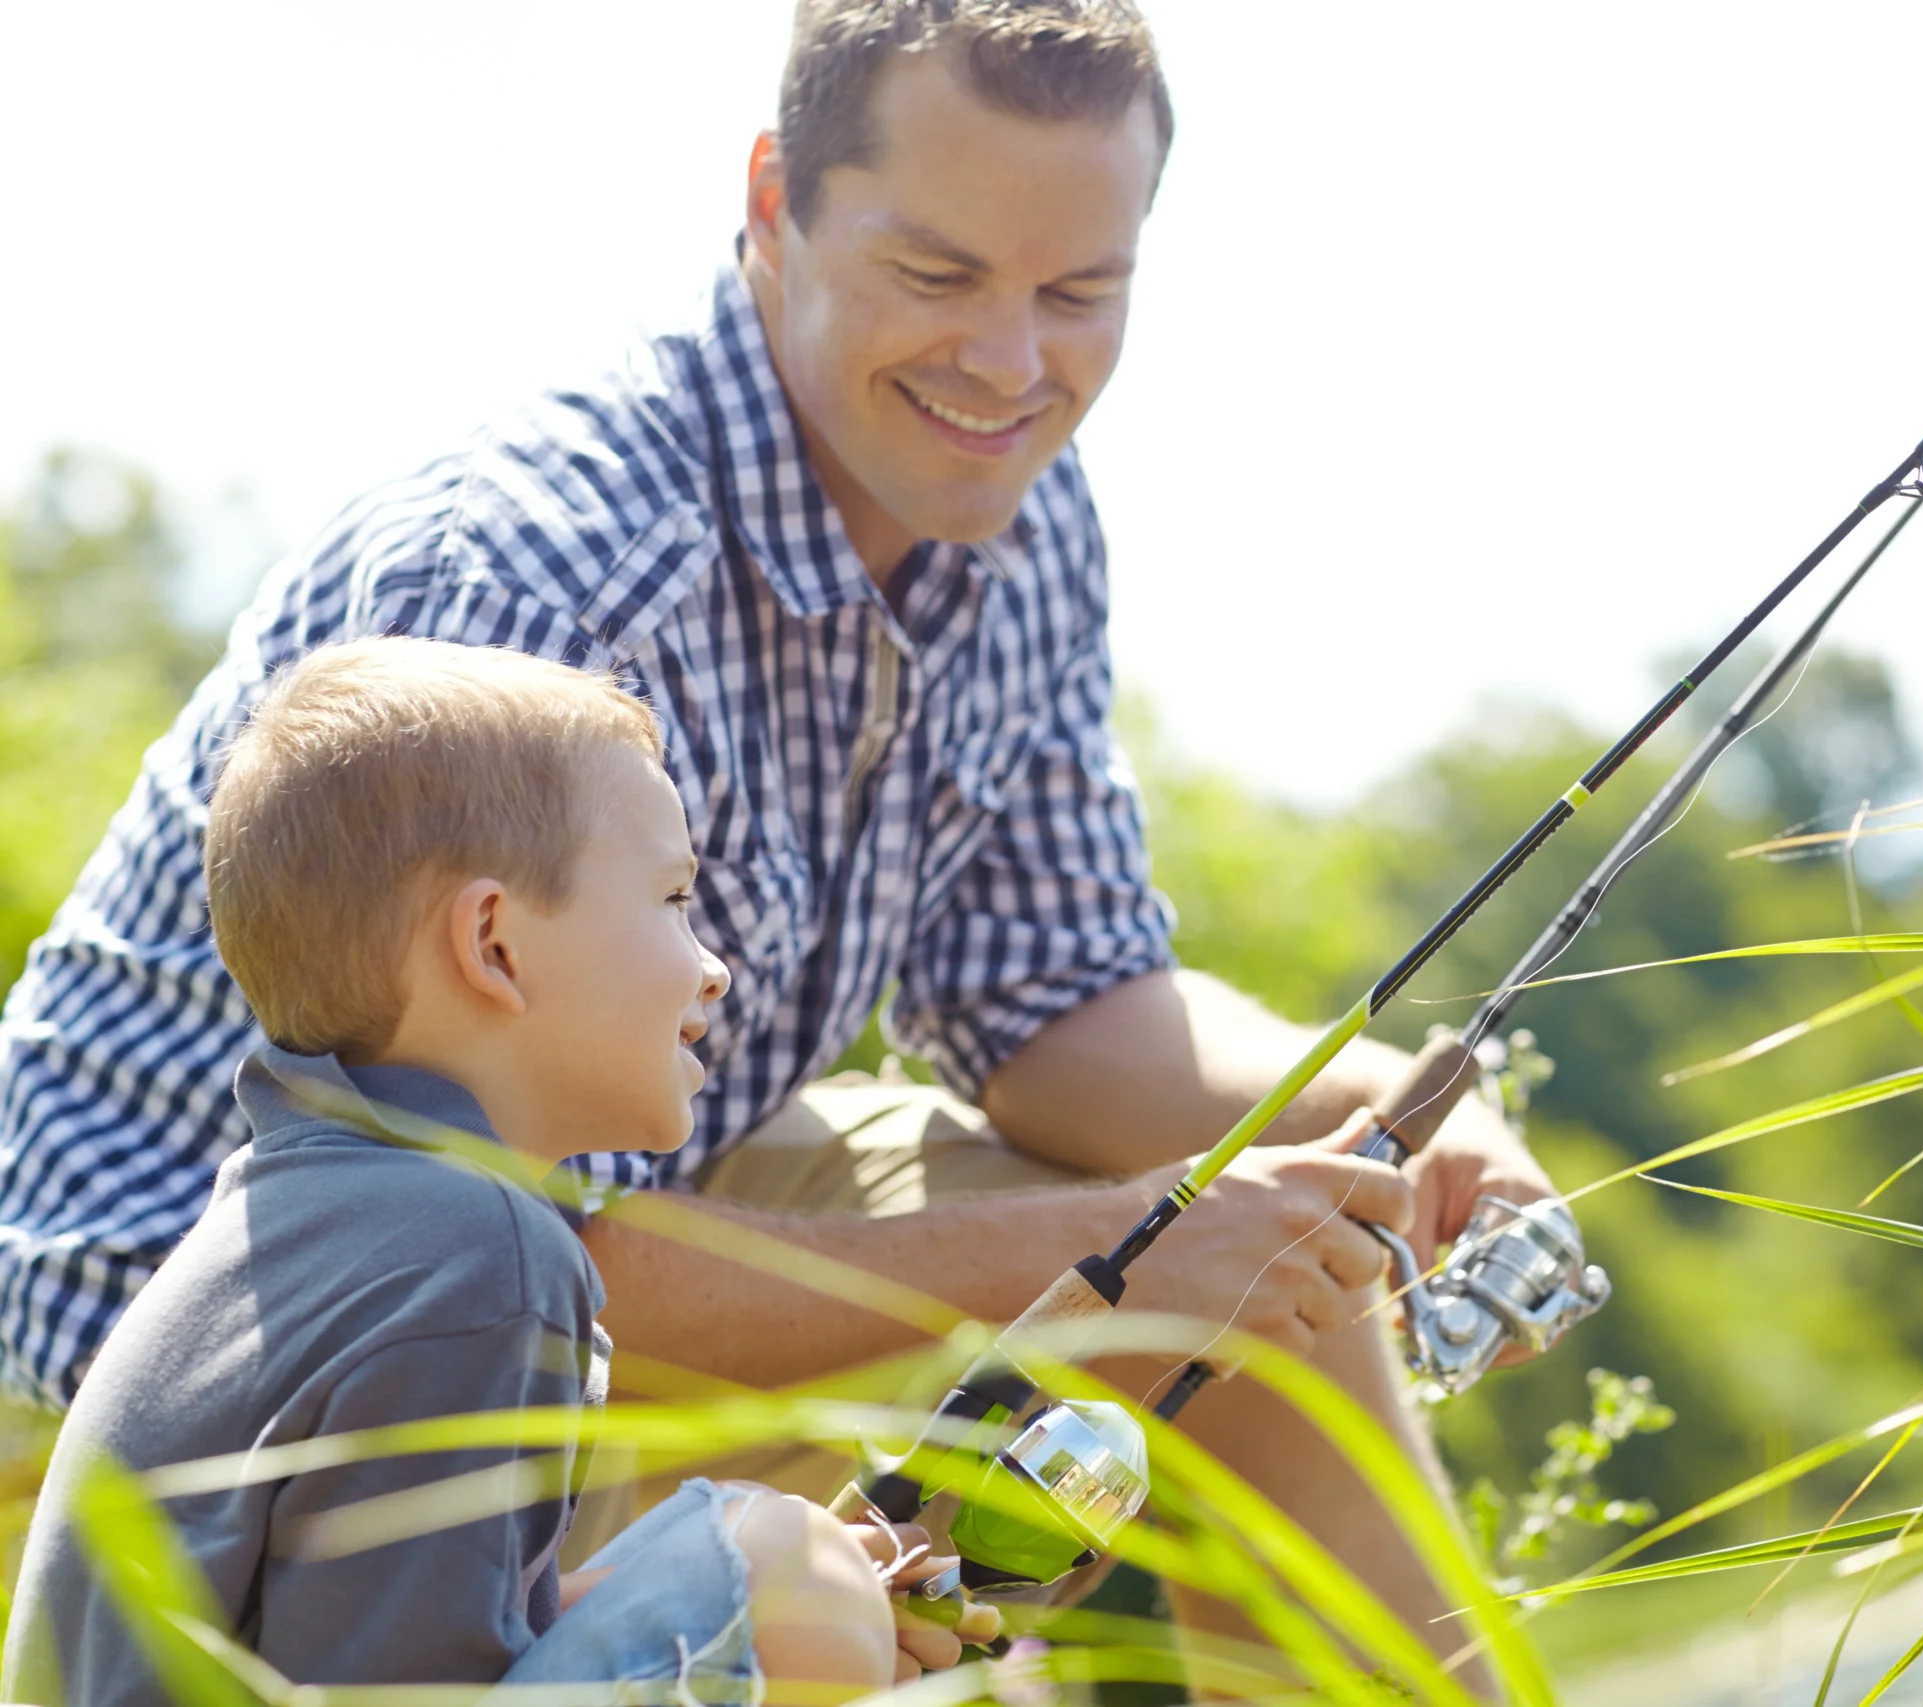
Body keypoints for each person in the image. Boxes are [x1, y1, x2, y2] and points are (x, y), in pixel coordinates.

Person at [0, 0, 1554, 1677]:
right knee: (1123, 1311)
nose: (1012, 364)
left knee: (1283, 1275)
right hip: (240, 1412)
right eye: (940, 276)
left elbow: (1057, 1000)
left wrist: (1373, 1129)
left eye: (1080, 293)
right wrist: (1141, 1247)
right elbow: (504, 1244)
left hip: (564, 1265)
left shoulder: (1017, 517)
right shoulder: (550, 580)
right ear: (773, 202)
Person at [5, 638, 999, 1703]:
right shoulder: (484, 1248)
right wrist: (776, 1602)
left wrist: (708, 1610)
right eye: (671, 899)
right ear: (494, 945)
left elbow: (369, 1645)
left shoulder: (317, 1205)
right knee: (786, 1566)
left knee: (793, 1580)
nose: (714, 965)